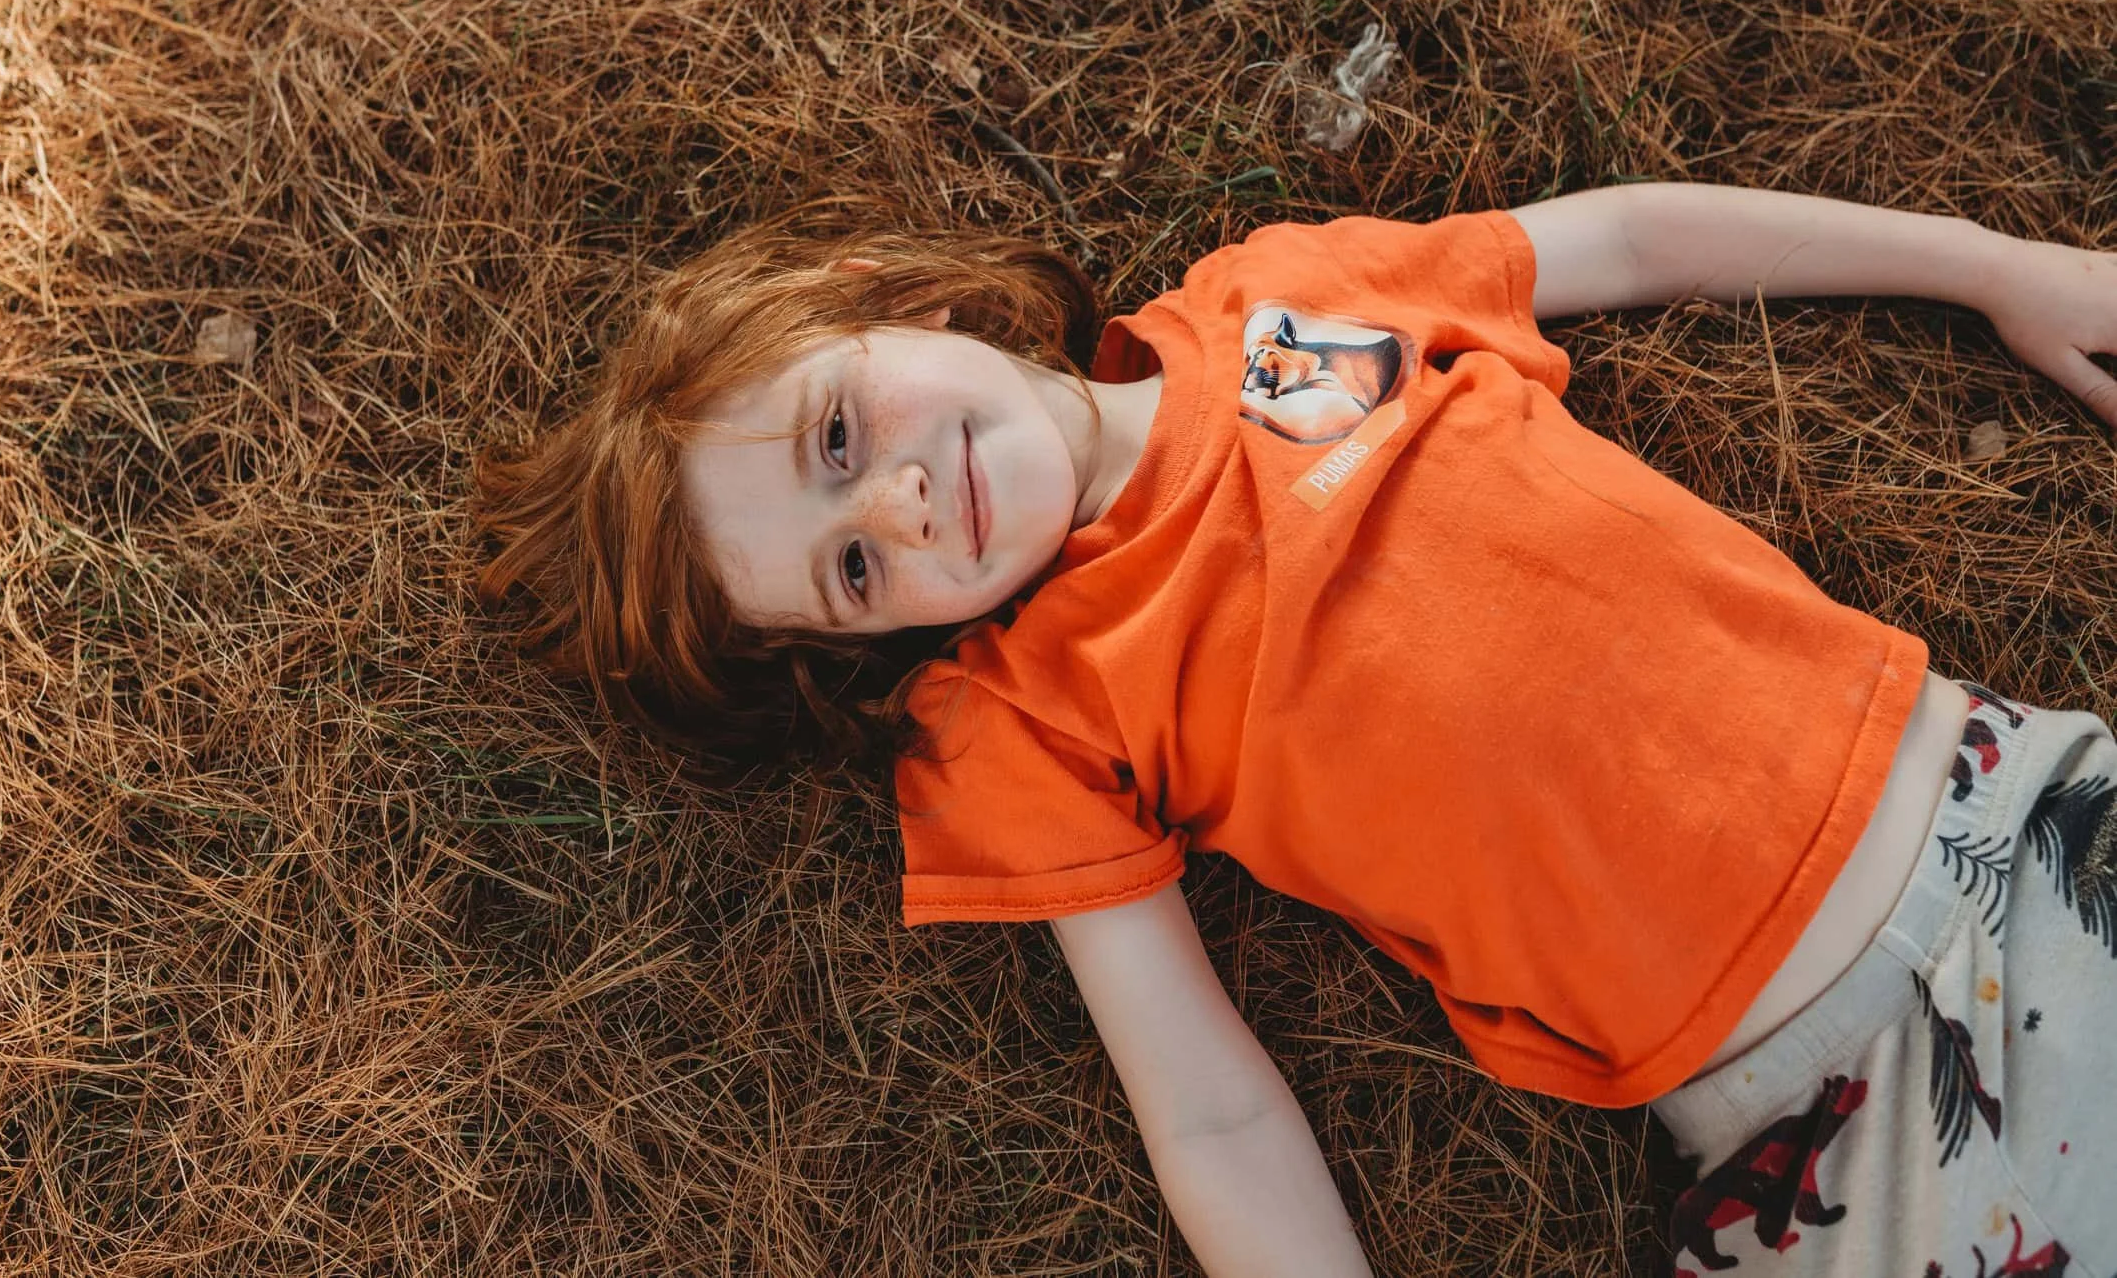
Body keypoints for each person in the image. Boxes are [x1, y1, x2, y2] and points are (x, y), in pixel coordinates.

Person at [478, 183, 2117, 1277]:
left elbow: (1619, 242)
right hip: (1820, 1117)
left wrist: (1992, 269)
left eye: (838, 429)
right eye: (851, 571)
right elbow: (1206, 1106)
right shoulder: (1010, 717)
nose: (902, 506)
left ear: (876, 296)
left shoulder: (1284, 294)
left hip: (2016, 818)